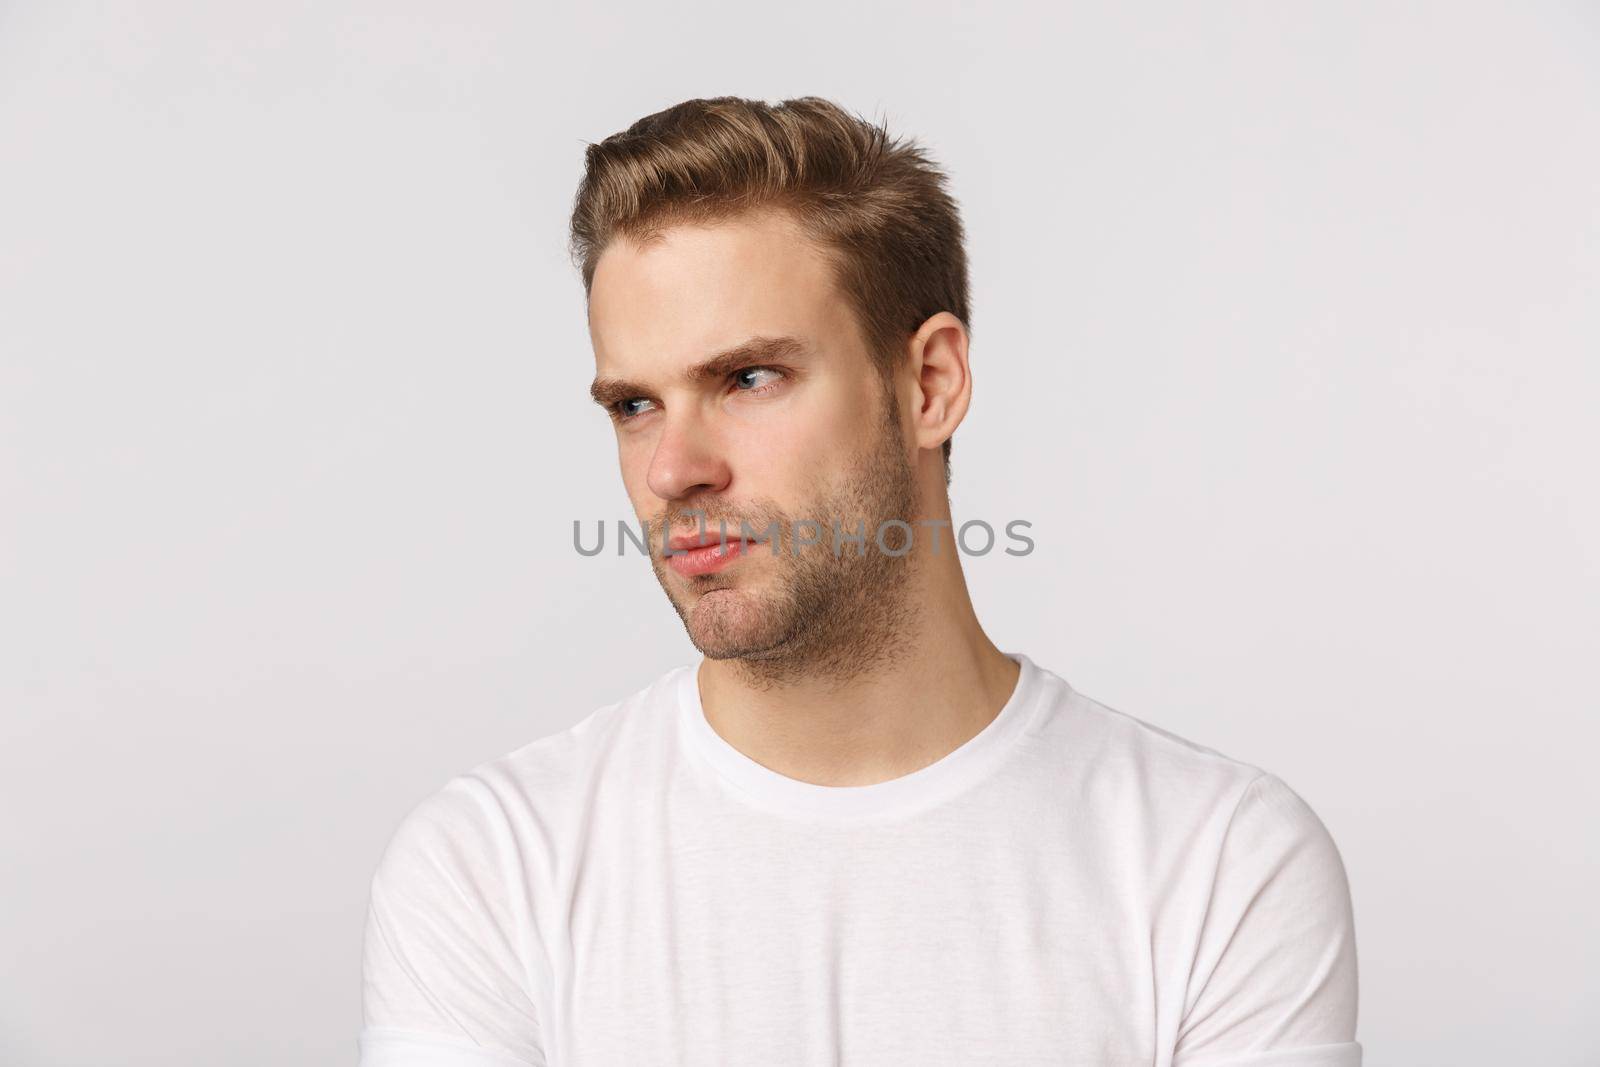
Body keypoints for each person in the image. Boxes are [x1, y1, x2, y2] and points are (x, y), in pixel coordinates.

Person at [356, 96, 1361, 1067]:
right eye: (632, 403)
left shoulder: (1215, 862)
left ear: (928, 384)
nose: (672, 469)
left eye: (747, 378)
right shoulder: (491, 864)